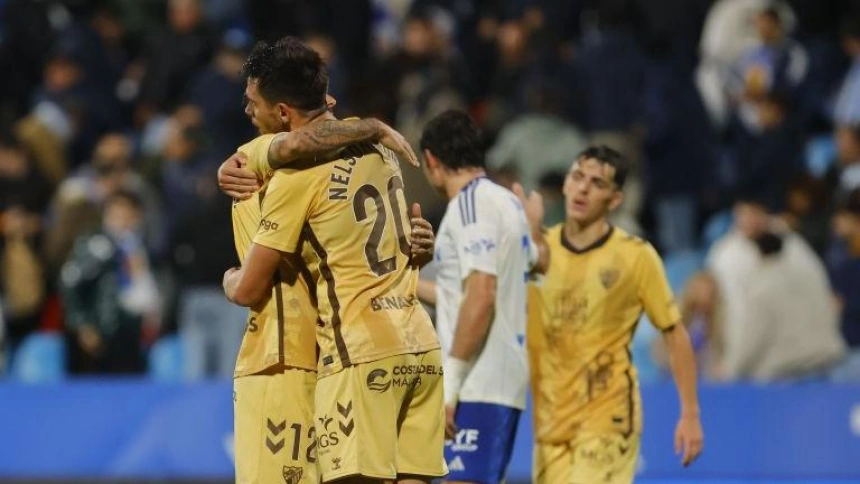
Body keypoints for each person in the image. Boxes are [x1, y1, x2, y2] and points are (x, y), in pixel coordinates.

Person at [220, 37, 445, 484]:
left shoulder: (292, 177)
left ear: (283, 112)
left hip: (351, 352)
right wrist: (421, 244)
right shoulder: (379, 149)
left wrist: (229, 278)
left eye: (252, 103)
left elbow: (248, 288)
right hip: (420, 344)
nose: (246, 111)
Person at [528, 146, 703, 483]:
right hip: (550, 424)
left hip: (607, 418)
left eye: (597, 183)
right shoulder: (537, 252)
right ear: (565, 184)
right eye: (578, 177)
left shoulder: (635, 257)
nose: (583, 189)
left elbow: (674, 332)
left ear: (615, 199)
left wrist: (690, 413)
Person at [413, 110, 547, 483]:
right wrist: (405, 285)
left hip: (479, 382)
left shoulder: (471, 207)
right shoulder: (505, 202)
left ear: (431, 160)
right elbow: (539, 261)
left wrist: (451, 387)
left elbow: (482, 296)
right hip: (493, 380)